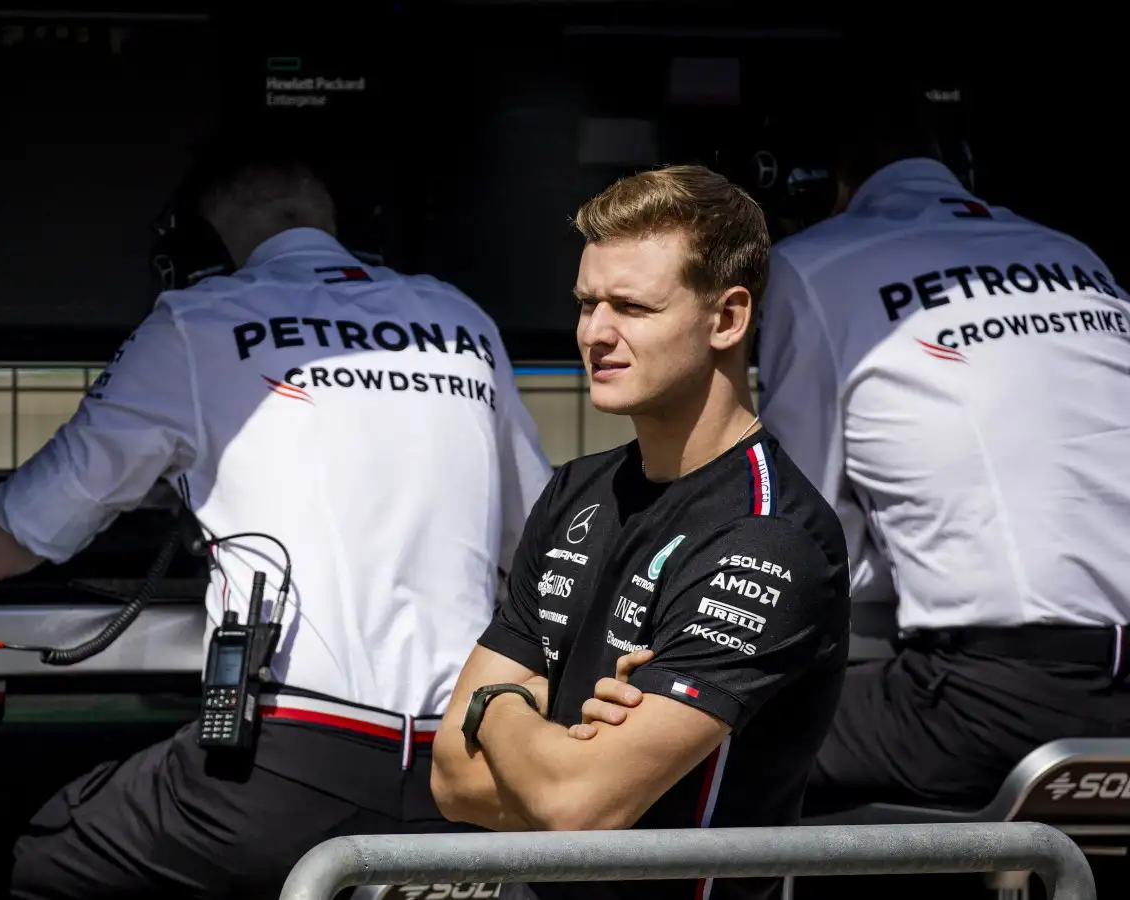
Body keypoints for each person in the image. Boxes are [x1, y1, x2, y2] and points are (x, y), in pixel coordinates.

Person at [0, 138, 552, 900]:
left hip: (292, 772)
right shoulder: (458, 318)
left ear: (196, 247)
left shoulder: (196, 324)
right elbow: (538, 547)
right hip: (468, 777)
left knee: (43, 856)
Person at [429, 164, 851, 900]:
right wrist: (565, 758)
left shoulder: (770, 535)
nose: (595, 332)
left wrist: (499, 708)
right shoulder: (574, 490)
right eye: (587, 303)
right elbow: (450, 778)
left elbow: (575, 809)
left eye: (631, 306)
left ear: (728, 318)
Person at [754, 82, 1130, 815]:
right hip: (1087, 685)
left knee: (703, 738)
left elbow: (799, 537)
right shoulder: (1073, 253)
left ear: (825, 183)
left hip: (997, 702)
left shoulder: (813, 265)